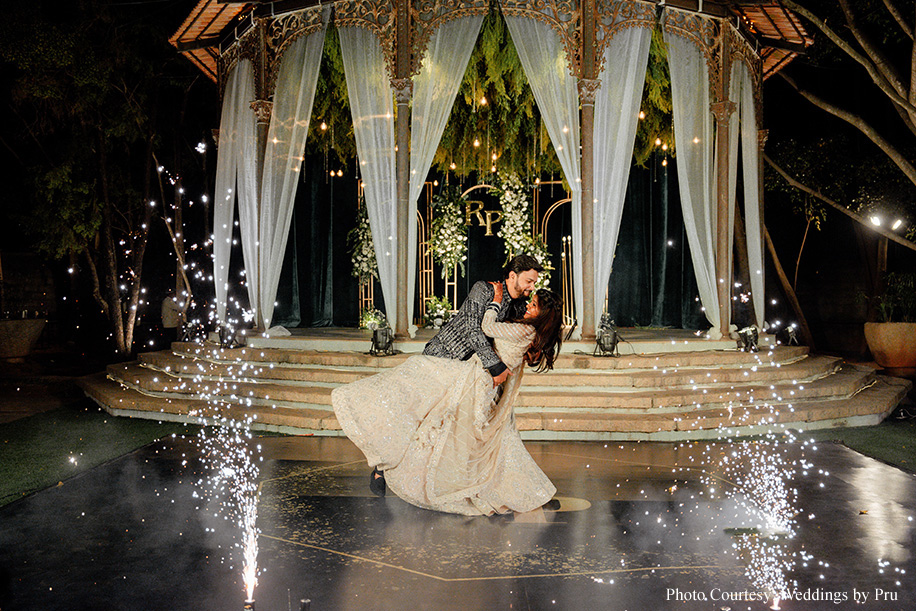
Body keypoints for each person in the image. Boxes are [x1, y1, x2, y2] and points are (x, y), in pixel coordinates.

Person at [332, 283, 564, 516]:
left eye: (533, 305)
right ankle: (384, 464)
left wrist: (495, 300)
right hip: (469, 372)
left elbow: (486, 327)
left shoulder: (522, 328)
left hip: (475, 381)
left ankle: (524, 493)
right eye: (530, 292)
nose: (528, 305)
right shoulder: (522, 325)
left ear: (543, 315)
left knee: (443, 418)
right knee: (442, 421)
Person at [423, 254, 543, 388]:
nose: (532, 287)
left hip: (471, 371)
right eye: (529, 281)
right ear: (513, 276)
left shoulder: (520, 307)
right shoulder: (483, 290)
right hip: (443, 355)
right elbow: (472, 328)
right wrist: (495, 366)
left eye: (534, 283)